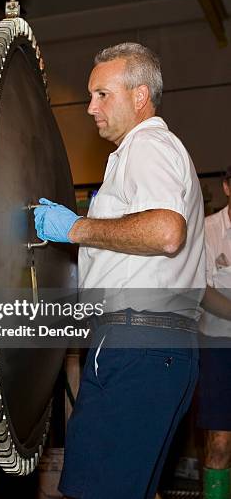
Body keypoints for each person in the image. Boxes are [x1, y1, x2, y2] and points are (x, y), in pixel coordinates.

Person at [34, 42, 206, 499]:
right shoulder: (142, 153)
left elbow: (167, 231)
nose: (90, 107)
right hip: (156, 345)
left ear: (140, 95)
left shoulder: (147, 145)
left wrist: (75, 229)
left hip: (136, 345)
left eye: (101, 94)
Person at [197, 167, 231, 499]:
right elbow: (202, 291)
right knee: (220, 442)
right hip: (219, 347)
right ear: (226, 187)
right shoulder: (208, 230)